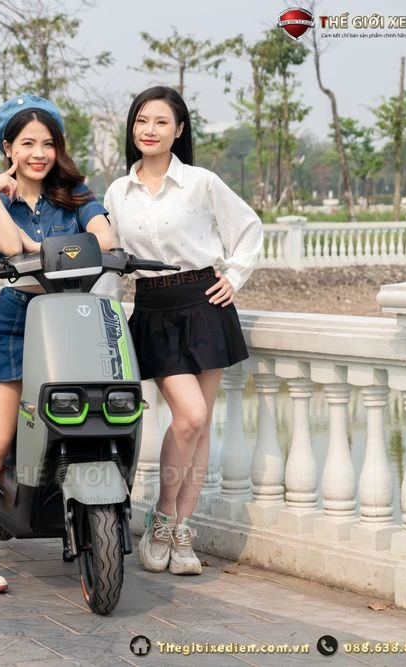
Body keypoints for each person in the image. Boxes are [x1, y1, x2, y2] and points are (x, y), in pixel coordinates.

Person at [0, 94, 117, 593]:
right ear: (8, 148)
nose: (38, 153)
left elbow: (105, 239)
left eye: (47, 143)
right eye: (26, 143)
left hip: (75, 319)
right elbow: (8, 245)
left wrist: (43, 245)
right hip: (17, 320)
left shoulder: (76, 194)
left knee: (89, 414)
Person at [103, 86, 262, 576]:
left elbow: (249, 227)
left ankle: (181, 530)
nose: (149, 130)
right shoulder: (118, 192)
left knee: (201, 424)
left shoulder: (200, 182)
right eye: (141, 121)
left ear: (179, 130)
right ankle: (162, 517)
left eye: (161, 122)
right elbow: (111, 260)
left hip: (205, 303)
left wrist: (234, 277)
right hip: (154, 306)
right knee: (190, 416)